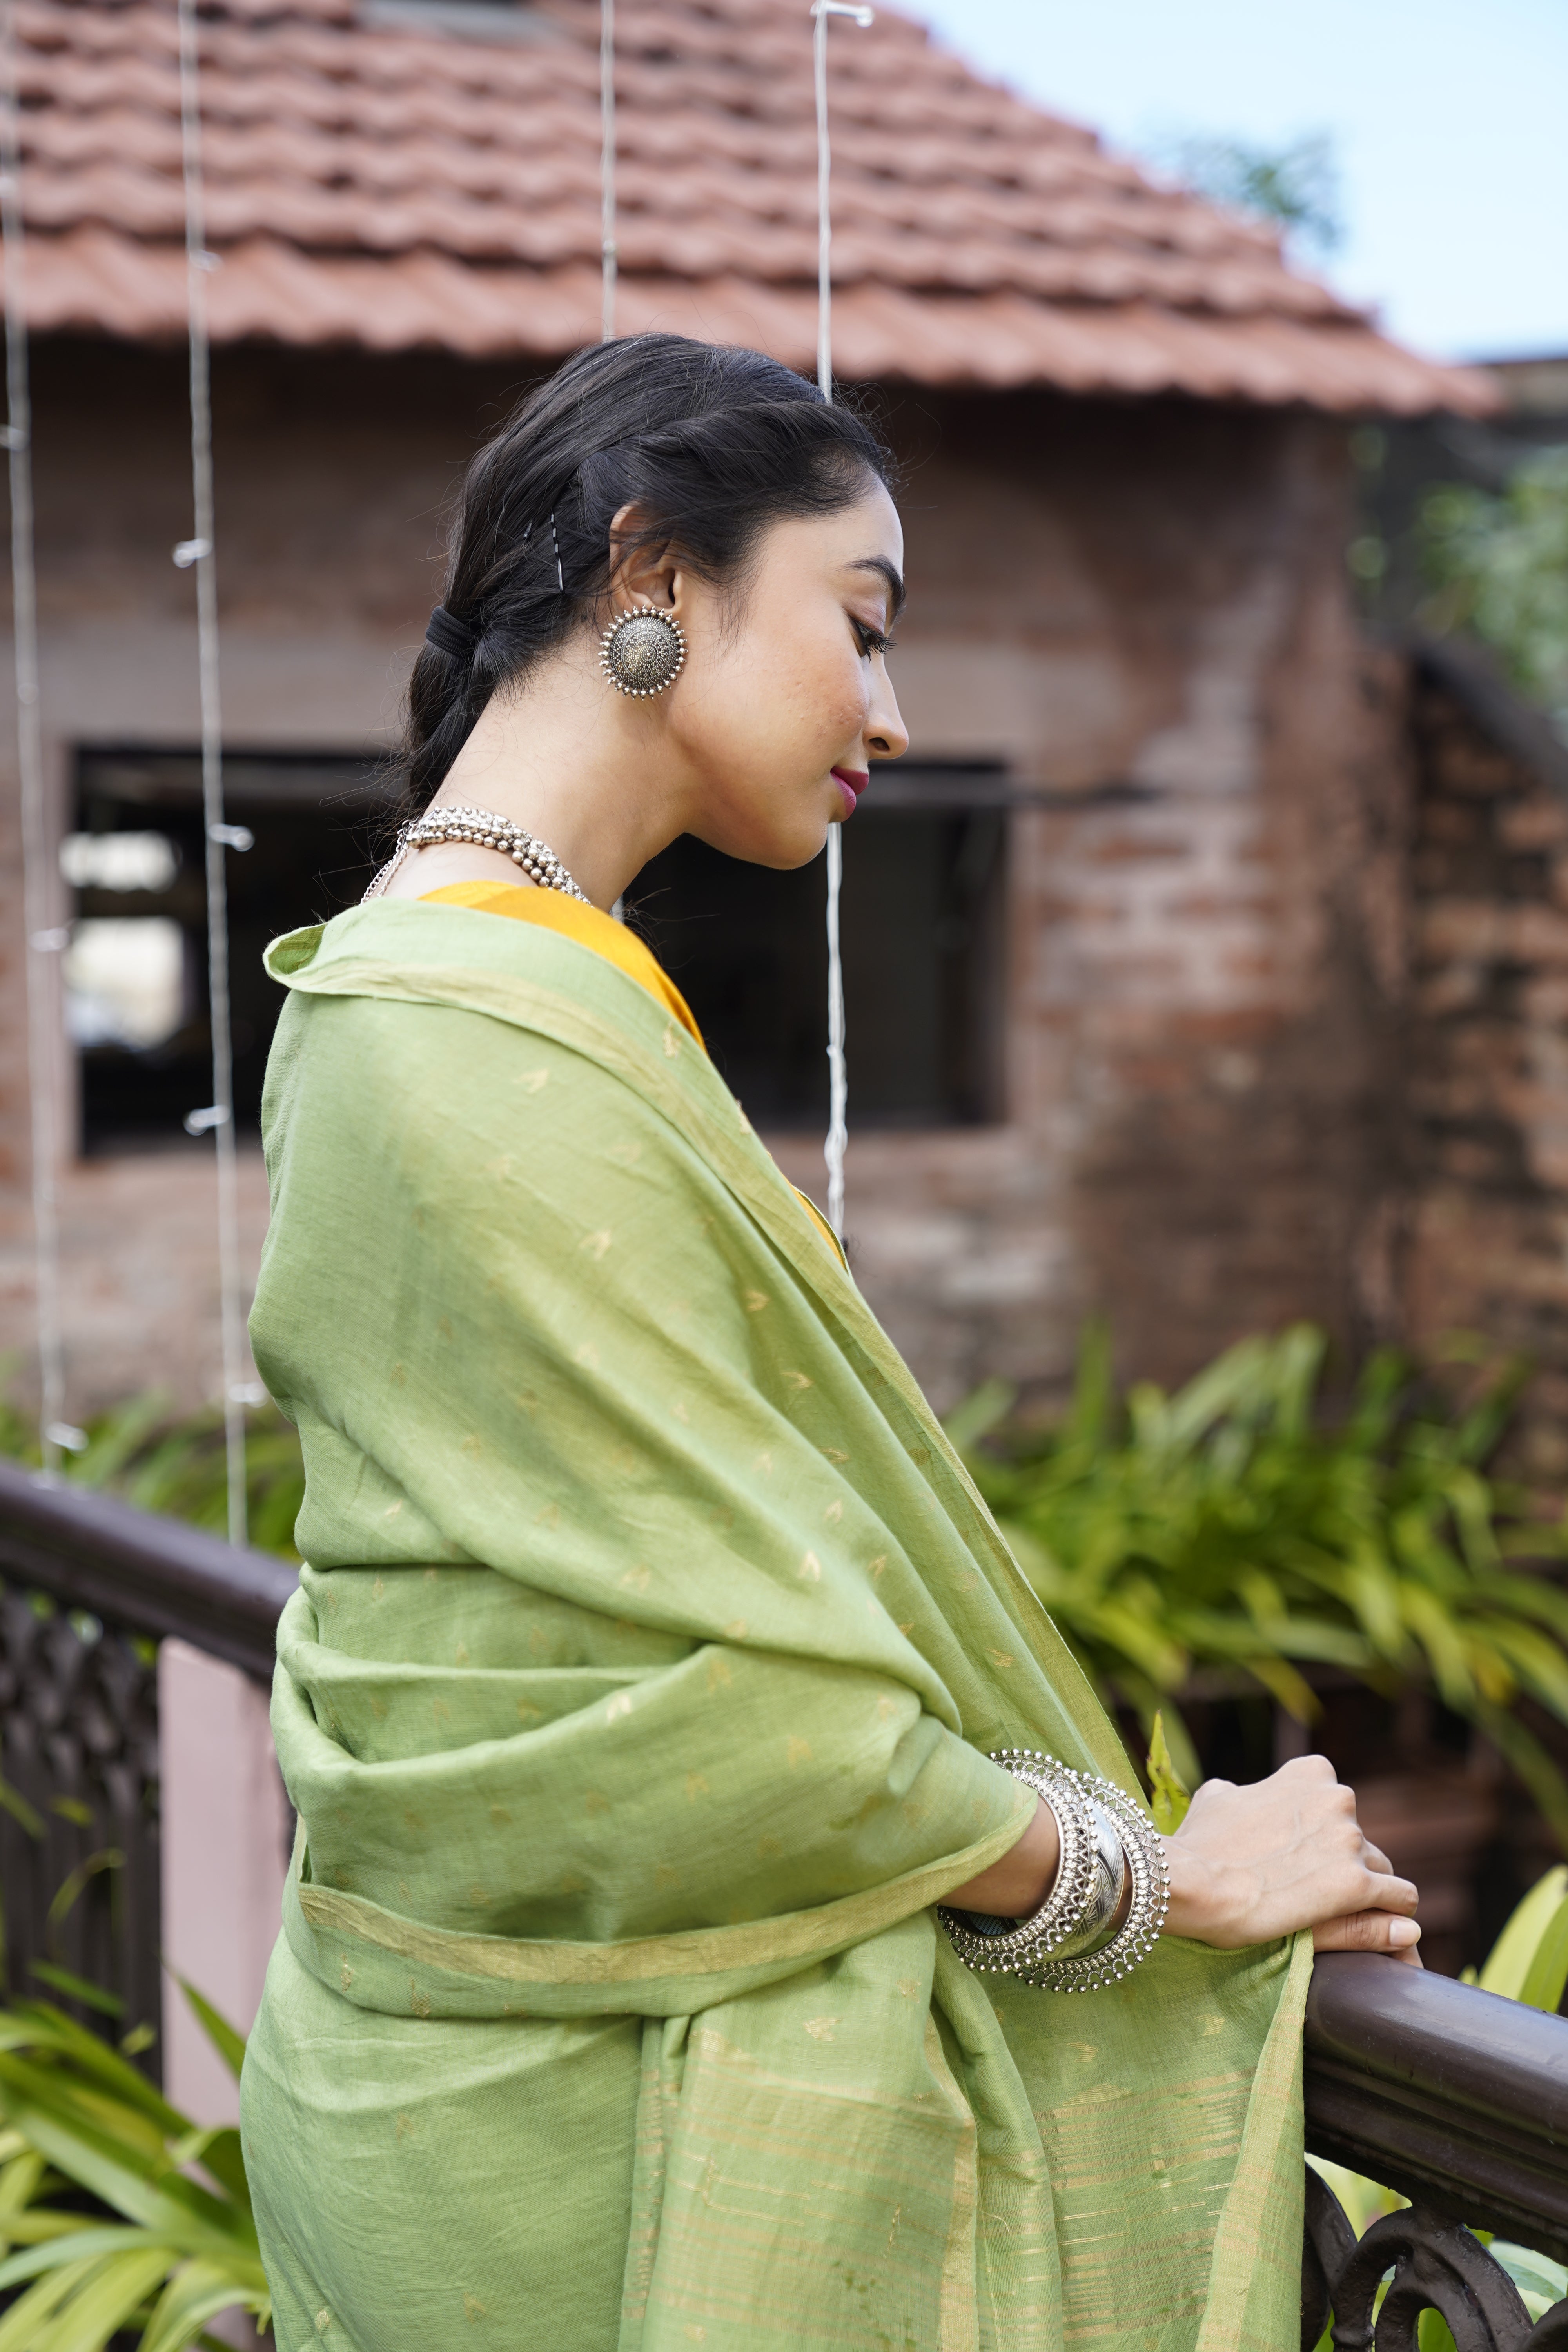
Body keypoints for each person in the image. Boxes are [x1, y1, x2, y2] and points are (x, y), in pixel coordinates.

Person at [239, 333, 1420, 2352]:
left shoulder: (481, 984)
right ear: (654, 577)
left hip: (455, 2056)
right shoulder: (471, 1031)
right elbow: (725, 1714)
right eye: (860, 627)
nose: (892, 706)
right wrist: (1160, 1884)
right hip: (572, 2153)